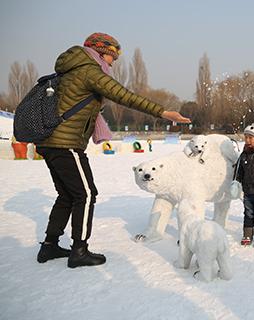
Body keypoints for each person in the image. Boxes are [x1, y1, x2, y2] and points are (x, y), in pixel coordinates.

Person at [36, 33, 191, 268]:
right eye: (111, 57)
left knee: (67, 194)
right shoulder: (89, 70)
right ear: (100, 51)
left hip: (52, 142)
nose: (112, 63)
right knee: (86, 195)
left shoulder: (71, 69)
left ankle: (49, 246)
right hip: (65, 143)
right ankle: (79, 250)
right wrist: (163, 112)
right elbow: (124, 96)